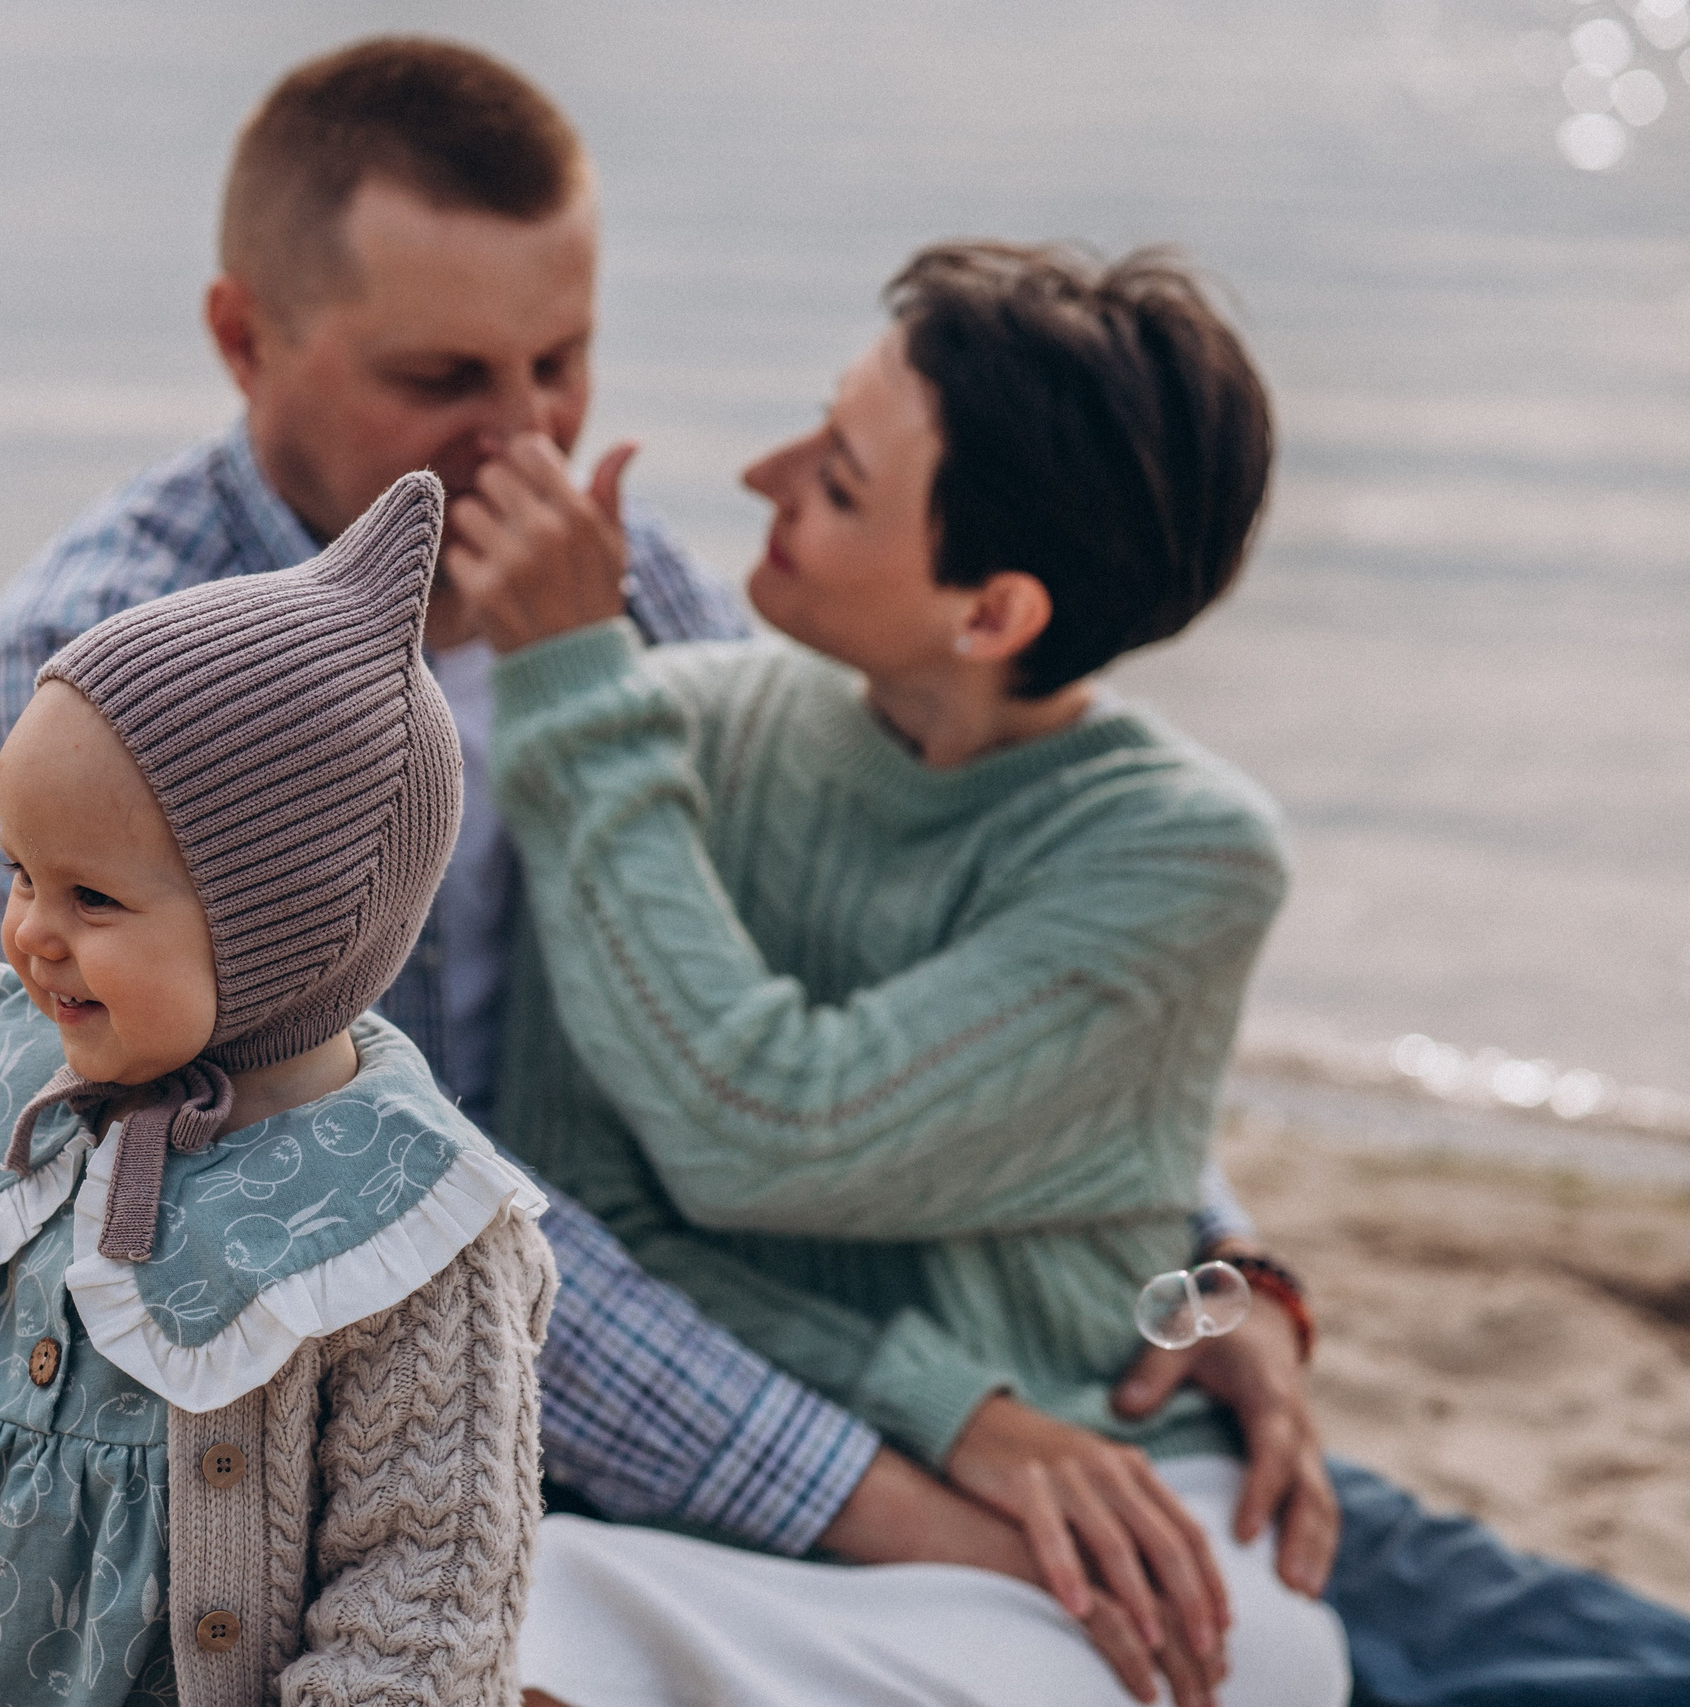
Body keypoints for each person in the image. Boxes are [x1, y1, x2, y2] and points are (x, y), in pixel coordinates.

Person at [0, 35, 1690, 1707]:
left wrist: (1224, 1286)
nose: (521, 440)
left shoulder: (627, 603)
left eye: (562, 362)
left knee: (1526, 1635)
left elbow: (992, 1014)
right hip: (323, 1444)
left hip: (843, 1370)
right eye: (442, 379)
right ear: (244, 339)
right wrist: (921, 1489)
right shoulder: (102, 687)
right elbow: (357, 1212)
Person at [454, 239, 1340, 1704]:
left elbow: (769, 1130)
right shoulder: (662, 738)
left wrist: (568, 691)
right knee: (507, 1626)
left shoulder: (1184, 853)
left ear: (993, 612)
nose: (763, 472)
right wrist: (943, 1408)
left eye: (841, 478)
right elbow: (595, 1215)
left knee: (1243, 1659)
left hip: (1118, 1519)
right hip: (779, 1517)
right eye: (818, 418)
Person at [0, 475, 559, 1704]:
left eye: (92, 897)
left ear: (289, 931)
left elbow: (425, 1582)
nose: (32, 932)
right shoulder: (50, 1096)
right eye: (21, 874)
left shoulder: (403, 1224)